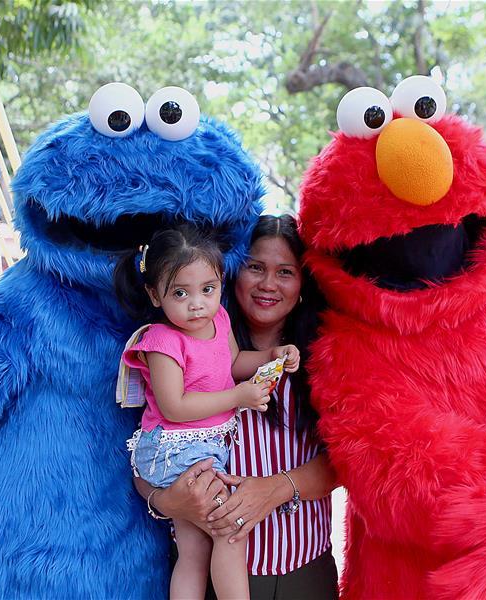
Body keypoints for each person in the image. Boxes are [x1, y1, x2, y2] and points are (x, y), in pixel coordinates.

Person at [135, 215, 339, 600]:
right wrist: (166, 501)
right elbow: (146, 451)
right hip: (224, 579)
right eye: (256, 267)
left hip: (306, 569)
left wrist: (276, 489)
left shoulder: (322, 357)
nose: (268, 284)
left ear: (303, 282)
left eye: (285, 272)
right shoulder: (176, 346)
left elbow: (348, 463)